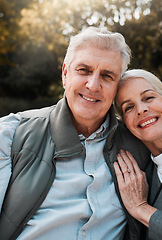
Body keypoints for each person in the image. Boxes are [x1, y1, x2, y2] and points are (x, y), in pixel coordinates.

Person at [0, 28, 150, 240]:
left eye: (107, 76)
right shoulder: (10, 134)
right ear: (65, 74)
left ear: (117, 87)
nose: (93, 85)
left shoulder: (139, 143)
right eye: (84, 70)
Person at [114, 69, 162, 240]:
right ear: (125, 123)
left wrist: (141, 209)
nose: (141, 109)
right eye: (129, 107)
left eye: (148, 98)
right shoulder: (138, 179)